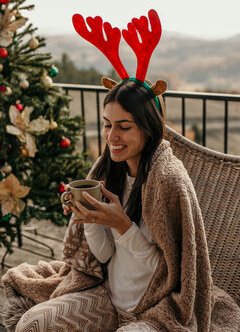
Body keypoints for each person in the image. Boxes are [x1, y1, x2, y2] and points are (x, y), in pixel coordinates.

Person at [3, 78, 238, 332]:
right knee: (31, 323)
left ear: (147, 128)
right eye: (107, 124)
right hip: (108, 300)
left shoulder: (169, 182)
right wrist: (90, 220)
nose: (111, 136)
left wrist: (123, 226)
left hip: (157, 309)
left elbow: (170, 274)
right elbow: (102, 256)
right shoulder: (107, 172)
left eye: (123, 127)